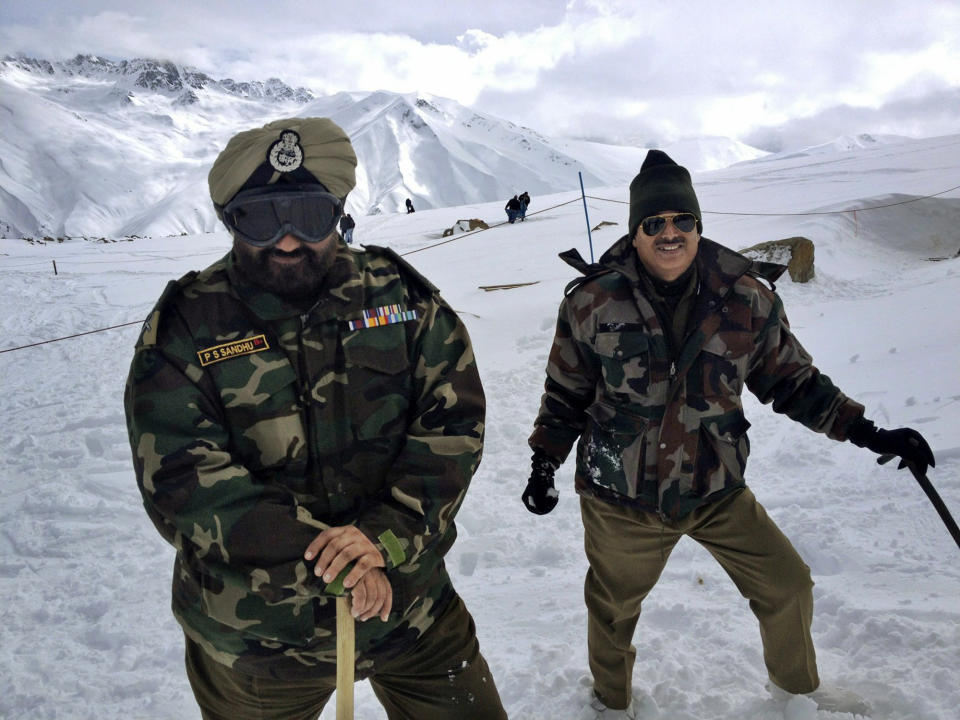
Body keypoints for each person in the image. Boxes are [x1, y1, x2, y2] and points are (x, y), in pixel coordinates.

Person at [521, 149, 935, 719]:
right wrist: (544, 462)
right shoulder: (593, 301)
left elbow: (794, 383)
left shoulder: (746, 297)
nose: (671, 234)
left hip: (715, 486)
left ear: (698, 225)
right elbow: (566, 393)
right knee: (613, 609)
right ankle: (610, 706)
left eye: (682, 221)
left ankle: (795, 696)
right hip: (622, 497)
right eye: (655, 223)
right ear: (636, 231)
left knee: (788, 586)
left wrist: (870, 433)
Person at [124, 117, 507, 720]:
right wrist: (341, 564)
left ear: (338, 212)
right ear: (229, 221)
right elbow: (180, 479)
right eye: (259, 219)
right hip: (260, 647)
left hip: (409, 611)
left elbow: (452, 426)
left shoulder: (400, 300)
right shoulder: (186, 327)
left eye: (308, 217)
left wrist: (384, 537)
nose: (285, 241)